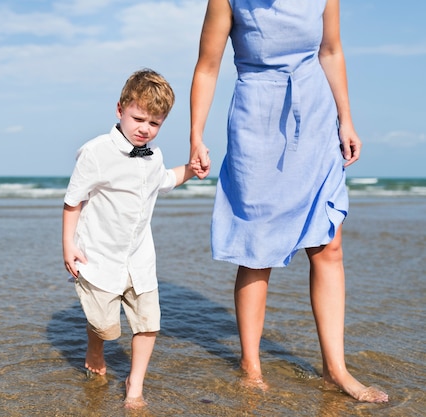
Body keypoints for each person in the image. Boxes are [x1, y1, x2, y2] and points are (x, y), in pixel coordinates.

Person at [187, 0, 389, 403]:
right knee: (256, 250)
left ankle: (336, 370)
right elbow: (207, 67)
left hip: (315, 117)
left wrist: (346, 120)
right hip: (256, 121)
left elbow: (330, 51)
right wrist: (196, 135)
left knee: (329, 244)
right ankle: (251, 365)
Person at [63, 68, 197, 408]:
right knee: (105, 327)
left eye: (154, 124)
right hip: (99, 256)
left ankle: (134, 386)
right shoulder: (95, 152)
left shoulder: (155, 157)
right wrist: (68, 244)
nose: (144, 129)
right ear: (120, 108)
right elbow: (73, 200)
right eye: (138, 118)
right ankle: (95, 346)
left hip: (139, 258)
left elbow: (164, 180)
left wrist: (191, 170)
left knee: (148, 323)